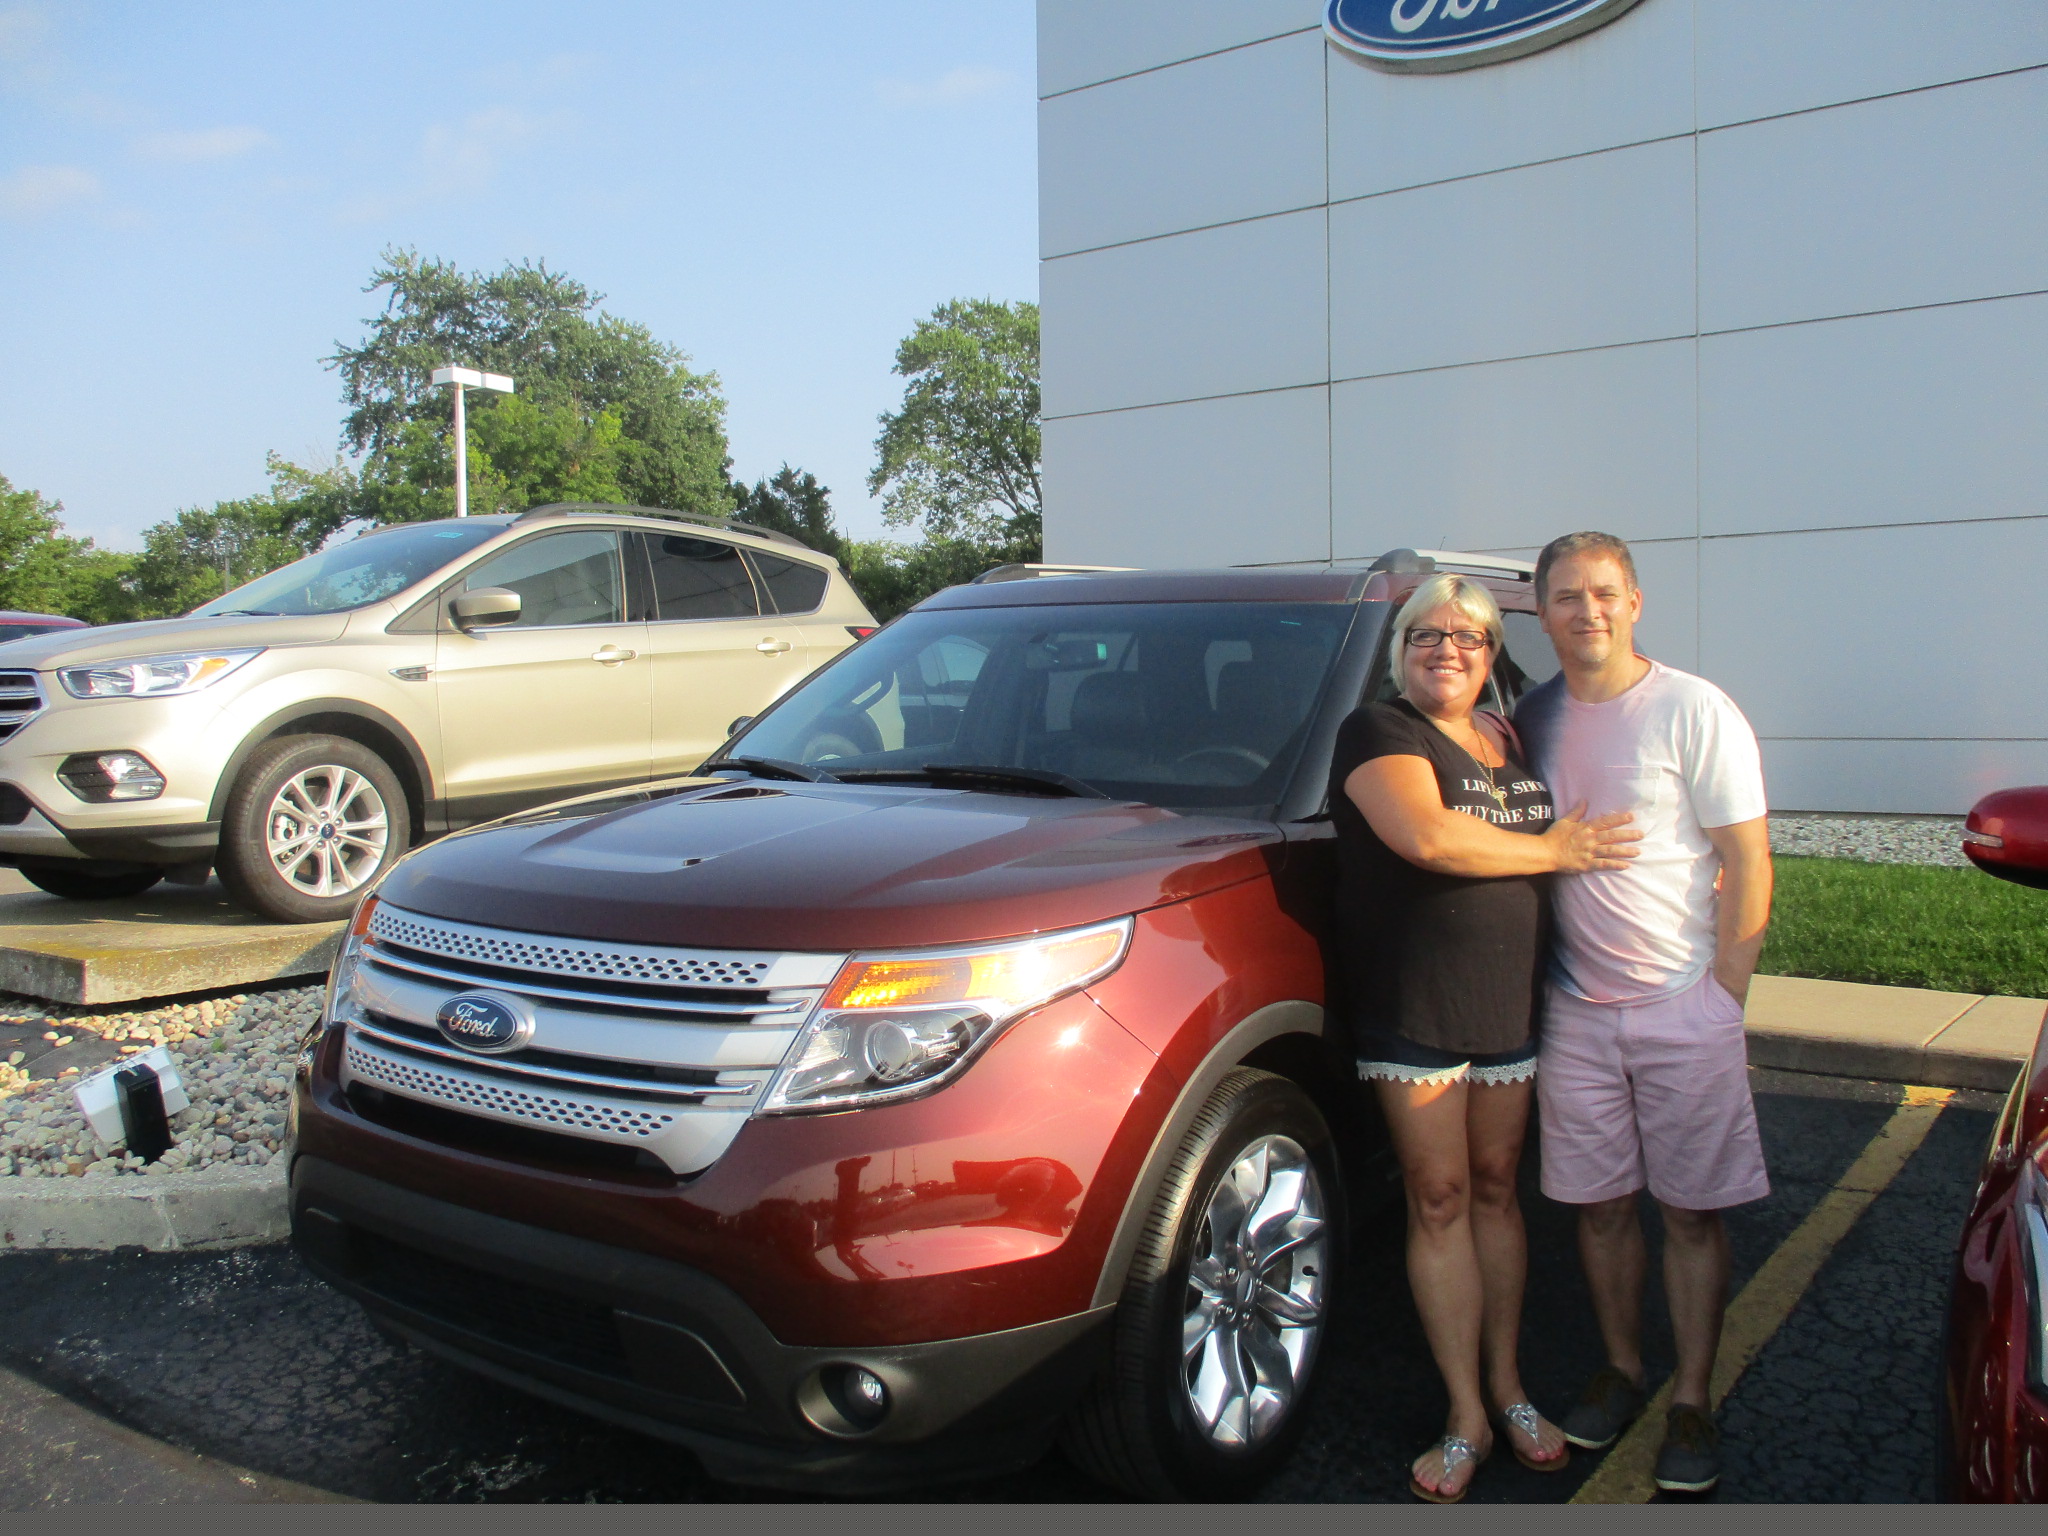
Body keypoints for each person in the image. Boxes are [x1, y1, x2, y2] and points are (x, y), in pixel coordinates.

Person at [1333, 572, 1639, 1503]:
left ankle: (1509, 1389)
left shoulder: (1507, 736)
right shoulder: (1379, 730)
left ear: (1491, 654)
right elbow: (1430, 839)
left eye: (1467, 637)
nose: (1447, 650)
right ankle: (1464, 1412)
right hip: (1416, 1003)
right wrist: (1557, 851)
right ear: (1401, 651)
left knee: (1500, 1190)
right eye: (1426, 635)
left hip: (1510, 1002)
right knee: (1440, 1196)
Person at [1514, 531, 1773, 1496]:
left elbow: (1747, 859)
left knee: (1692, 1214)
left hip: (1681, 1004)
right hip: (1575, 1014)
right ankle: (1622, 1370)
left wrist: (1723, 997)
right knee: (1601, 1208)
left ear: (1635, 602)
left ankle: (1693, 1398)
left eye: (1605, 593)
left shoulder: (1693, 708)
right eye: (1568, 596)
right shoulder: (1533, 718)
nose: (1588, 611)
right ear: (1541, 613)